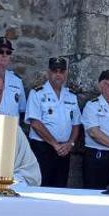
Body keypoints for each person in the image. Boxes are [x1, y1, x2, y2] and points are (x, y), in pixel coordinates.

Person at [24, 57, 81, 187]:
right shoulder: (37, 93)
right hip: (43, 148)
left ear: (66, 74)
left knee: (60, 188)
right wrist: (55, 144)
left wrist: (70, 144)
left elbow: (76, 124)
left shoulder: (71, 96)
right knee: (40, 186)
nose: (58, 74)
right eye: (55, 71)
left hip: (64, 150)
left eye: (61, 71)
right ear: (49, 73)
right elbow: (35, 122)